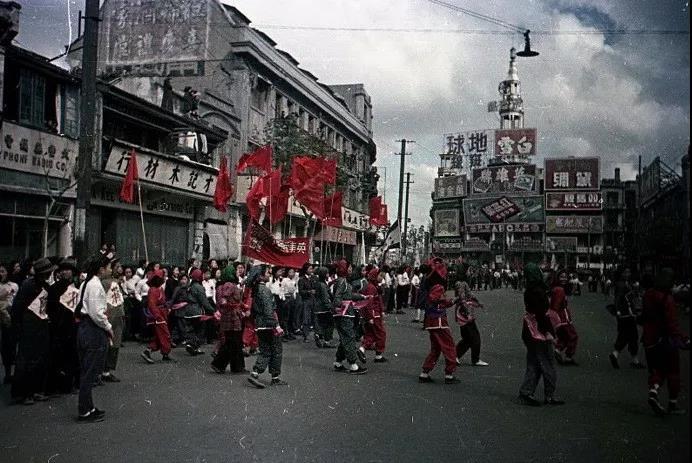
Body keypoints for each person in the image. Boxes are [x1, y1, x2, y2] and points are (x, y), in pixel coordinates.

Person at [640, 268, 690, 415]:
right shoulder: (667, 299)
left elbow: (643, 316)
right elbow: (672, 324)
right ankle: (672, 404)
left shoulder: (648, 295)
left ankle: (654, 391)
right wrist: (682, 339)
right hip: (666, 340)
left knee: (656, 370)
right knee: (673, 371)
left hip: (650, 339)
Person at [518, 263, 564, 406]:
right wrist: (549, 332)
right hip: (538, 330)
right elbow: (541, 315)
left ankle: (526, 392)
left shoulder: (530, 290)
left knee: (534, 362)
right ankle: (549, 395)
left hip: (529, 328)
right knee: (547, 362)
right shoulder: (538, 291)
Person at [10, 258, 54, 404]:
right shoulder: (28, 285)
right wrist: (18, 326)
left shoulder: (46, 286)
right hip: (28, 326)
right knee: (26, 360)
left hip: (41, 325)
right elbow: (17, 307)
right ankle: (24, 393)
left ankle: (36, 390)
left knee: (40, 359)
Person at [75, 254, 113, 422]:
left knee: (87, 369)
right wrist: (108, 327)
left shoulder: (86, 283)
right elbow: (97, 313)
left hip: (84, 327)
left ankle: (89, 406)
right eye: (109, 267)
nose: (110, 270)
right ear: (101, 269)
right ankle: (84, 409)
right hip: (92, 329)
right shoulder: (95, 286)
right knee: (90, 371)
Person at [247, 265, 288, 388]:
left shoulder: (256, 290)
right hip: (269, 324)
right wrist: (276, 325)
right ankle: (275, 377)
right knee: (276, 350)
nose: (269, 275)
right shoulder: (265, 291)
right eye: (267, 273)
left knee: (265, 350)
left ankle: (255, 373)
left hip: (260, 324)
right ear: (260, 276)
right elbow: (268, 310)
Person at [332, 259, 369, 374]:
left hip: (346, 313)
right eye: (349, 267)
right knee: (349, 338)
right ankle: (353, 364)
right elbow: (337, 298)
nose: (351, 269)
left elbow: (348, 295)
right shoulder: (342, 282)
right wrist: (342, 305)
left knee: (345, 338)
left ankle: (338, 362)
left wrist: (361, 296)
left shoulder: (343, 281)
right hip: (344, 314)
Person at [418, 282, 459, 384]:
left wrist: (454, 300)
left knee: (436, 349)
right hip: (440, 323)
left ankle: (425, 372)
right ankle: (449, 374)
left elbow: (445, 302)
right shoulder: (438, 295)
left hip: (431, 323)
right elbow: (443, 301)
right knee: (449, 347)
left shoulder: (431, 296)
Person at [211, 267, 248, 374]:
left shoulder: (221, 286)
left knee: (231, 342)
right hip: (232, 317)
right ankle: (225, 365)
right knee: (234, 342)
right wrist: (233, 305)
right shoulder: (230, 285)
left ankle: (228, 366)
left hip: (228, 316)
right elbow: (224, 300)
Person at [609, 267, 645, 369]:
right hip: (626, 314)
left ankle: (619, 355)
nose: (627, 274)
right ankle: (633, 359)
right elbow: (618, 298)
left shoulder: (626, 283)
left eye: (629, 272)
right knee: (631, 335)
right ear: (621, 274)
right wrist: (618, 310)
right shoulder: (622, 284)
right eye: (625, 272)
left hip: (626, 314)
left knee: (626, 335)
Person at [141, 269, 175, 364]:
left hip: (162, 314)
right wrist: (158, 316)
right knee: (165, 334)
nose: (164, 279)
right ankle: (163, 353)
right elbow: (152, 305)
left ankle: (150, 351)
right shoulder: (153, 290)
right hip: (158, 317)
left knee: (159, 336)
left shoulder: (159, 289)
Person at [453, 280, 489, 367]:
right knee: (474, 337)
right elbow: (463, 299)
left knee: (467, 339)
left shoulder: (461, 283)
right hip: (465, 317)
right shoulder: (462, 284)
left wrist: (477, 302)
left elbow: (465, 297)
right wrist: (468, 314)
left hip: (463, 317)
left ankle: (455, 356)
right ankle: (474, 359)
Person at [101, 260, 126, 382]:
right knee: (109, 343)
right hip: (110, 315)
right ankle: (104, 370)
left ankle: (107, 369)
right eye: (115, 267)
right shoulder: (104, 283)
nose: (118, 269)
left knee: (115, 343)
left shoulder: (118, 282)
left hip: (118, 315)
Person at [181, 269, 215, 356]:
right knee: (201, 330)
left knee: (191, 329)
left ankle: (192, 345)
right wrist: (212, 310)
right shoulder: (199, 287)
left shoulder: (190, 286)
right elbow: (204, 301)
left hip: (188, 310)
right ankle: (193, 345)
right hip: (196, 311)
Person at [548, 270, 579, 365]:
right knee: (573, 336)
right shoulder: (560, 290)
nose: (564, 279)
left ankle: (558, 350)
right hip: (562, 317)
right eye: (561, 277)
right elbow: (556, 306)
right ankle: (568, 356)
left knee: (564, 337)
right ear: (557, 278)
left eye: (565, 277)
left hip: (559, 317)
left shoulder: (556, 289)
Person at [358, 268, 387, 363]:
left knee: (371, 334)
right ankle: (378, 354)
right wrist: (371, 316)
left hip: (372, 314)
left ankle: (363, 349)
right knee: (380, 333)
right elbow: (370, 303)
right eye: (380, 276)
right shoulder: (372, 287)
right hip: (375, 314)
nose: (382, 278)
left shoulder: (372, 286)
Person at [0, 263, 19, 384]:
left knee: (9, 347)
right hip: (1, 316)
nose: (0, 274)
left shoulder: (14, 286)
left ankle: (8, 373)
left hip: (10, 318)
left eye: (2, 271)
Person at [313, 267, 335, 348]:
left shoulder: (318, 283)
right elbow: (325, 297)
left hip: (318, 307)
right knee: (329, 324)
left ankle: (319, 335)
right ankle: (327, 341)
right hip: (324, 308)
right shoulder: (323, 285)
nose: (328, 275)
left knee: (322, 323)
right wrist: (330, 307)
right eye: (327, 273)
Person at [298, 264, 317, 343]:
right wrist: (309, 292)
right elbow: (301, 291)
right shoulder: (302, 279)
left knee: (315, 318)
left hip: (314, 300)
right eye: (310, 269)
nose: (311, 270)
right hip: (306, 300)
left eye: (312, 269)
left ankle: (317, 335)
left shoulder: (314, 278)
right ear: (306, 270)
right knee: (306, 319)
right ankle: (306, 336)